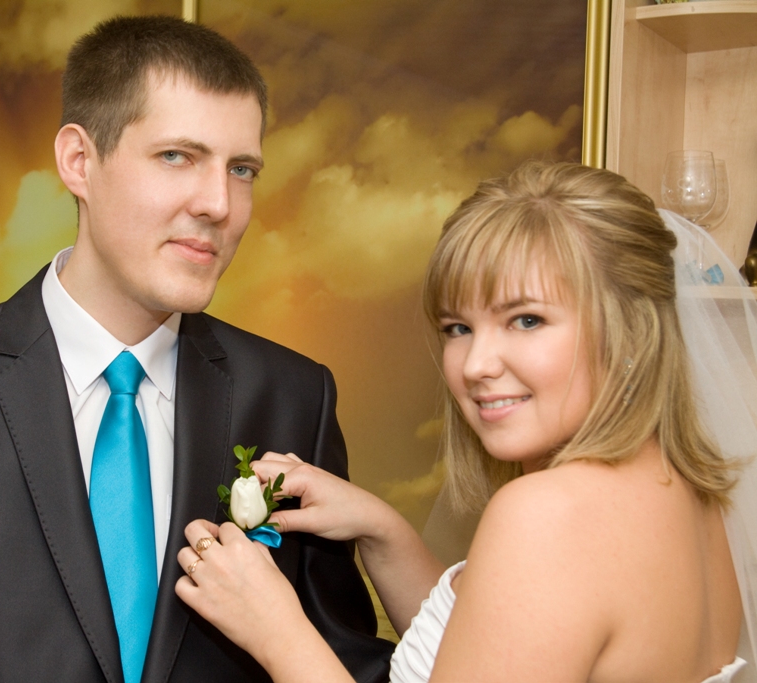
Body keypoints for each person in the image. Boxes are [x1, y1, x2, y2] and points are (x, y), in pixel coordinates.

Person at [0, 15, 393, 682]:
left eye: (242, 168)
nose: (219, 203)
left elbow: (344, 662)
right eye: (177, 156)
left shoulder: (294, 398)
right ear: (79, 161)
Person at [173, 162, 757, 682]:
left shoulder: (548, 516)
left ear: (631, 331)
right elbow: (504, 646)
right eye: (458, 328)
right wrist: (382, 529)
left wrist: (277, 631)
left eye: (526, 320)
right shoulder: (693, 498)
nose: (476, 365)